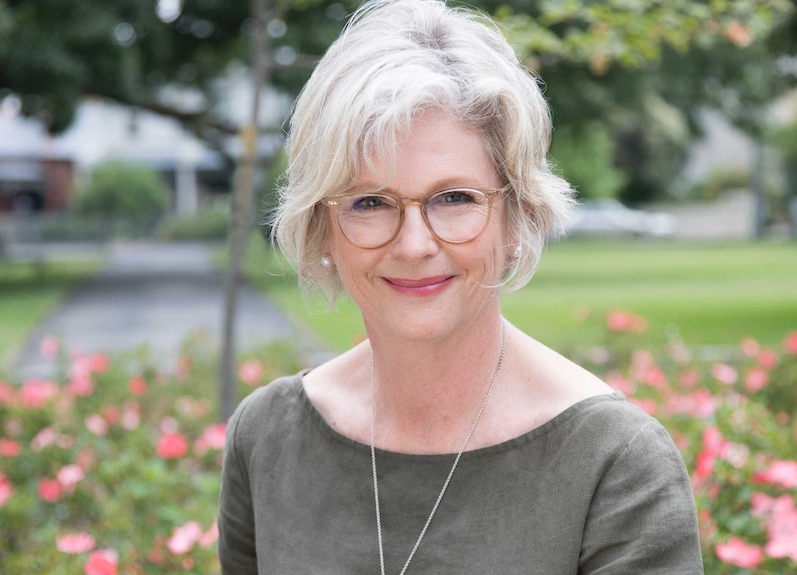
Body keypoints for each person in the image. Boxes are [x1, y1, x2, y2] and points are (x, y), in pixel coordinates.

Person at [218, 0, 703, 573]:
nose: (415, 244)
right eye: (370, 202)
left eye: (454, 198)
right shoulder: (267, 438)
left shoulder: (614, 465)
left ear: (516, 217)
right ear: (322, 226)